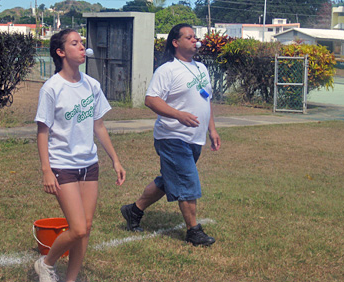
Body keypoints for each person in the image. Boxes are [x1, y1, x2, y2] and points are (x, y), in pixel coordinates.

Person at [34, 29, 126, 282]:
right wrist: (46, 170)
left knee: (86, 228)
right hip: (63, 165)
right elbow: (43, 131)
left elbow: (99, 126)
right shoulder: (52, 88)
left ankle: (71, 279)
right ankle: (46, 263)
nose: (82, 47)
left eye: (82, 43)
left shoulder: (91, 85)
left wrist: (115, 159)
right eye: (75, 44)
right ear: (61, 52)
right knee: (77, 228)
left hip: (89, 165)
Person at [120, 23, 221, 247]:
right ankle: (193, 231)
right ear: (176, 43)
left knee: (168, 181)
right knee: (187, 180)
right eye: (189, 37)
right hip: (172, 136)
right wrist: (177, 115)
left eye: (195, 37)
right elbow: (151, 99)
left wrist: (211, 129)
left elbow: (206, 100)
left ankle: (133, 210)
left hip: (194, 138)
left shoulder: (201, 69)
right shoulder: (167, 69)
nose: (195, 40)